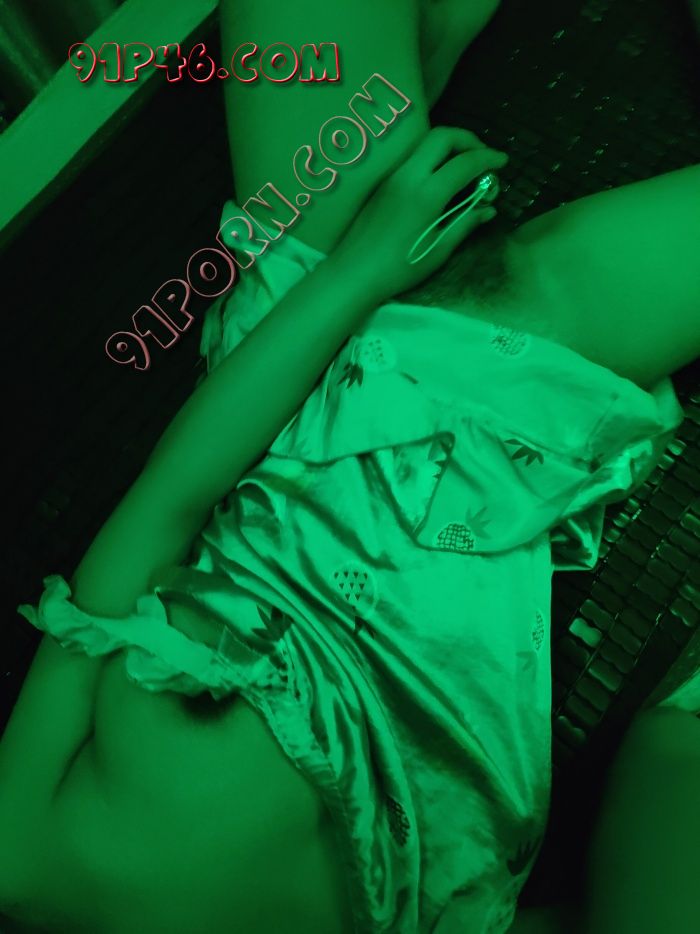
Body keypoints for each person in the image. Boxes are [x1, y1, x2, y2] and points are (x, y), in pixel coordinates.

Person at [1, 0, 699, 931]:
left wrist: (366, 263)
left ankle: (425, 76)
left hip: (297, 364)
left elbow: (169, 503)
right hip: (501, 392)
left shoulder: (19, 854)